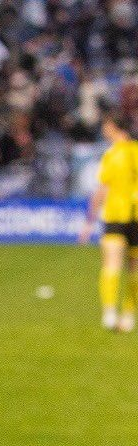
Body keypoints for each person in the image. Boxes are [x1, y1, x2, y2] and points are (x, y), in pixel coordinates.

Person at [83, 111, 138, 332]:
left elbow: (102, 189)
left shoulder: (112, 155)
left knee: (111, 262)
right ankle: (129, 315)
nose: (104, 131)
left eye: (106, 126)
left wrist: (89, 220)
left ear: (115, 127)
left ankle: (109, 312)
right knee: (134, 269)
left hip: (116, 214)